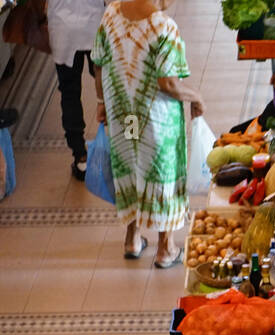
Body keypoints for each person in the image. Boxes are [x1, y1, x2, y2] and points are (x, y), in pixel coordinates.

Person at [91, 0, 203, 265]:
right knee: (160, 172)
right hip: (155, 121)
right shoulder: (164, 26)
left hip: (125, 115)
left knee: (130, 163)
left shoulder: (111, 14)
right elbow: (168, 83)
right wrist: (196, 97)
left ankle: (132, 237)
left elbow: (98, 64)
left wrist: (101, 102)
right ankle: (166, 247)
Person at [40, 0, 106, 181]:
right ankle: (128, 142)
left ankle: (80, 157)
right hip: (96, 24)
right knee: (112, 87)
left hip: (63, 27)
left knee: (69, 93)